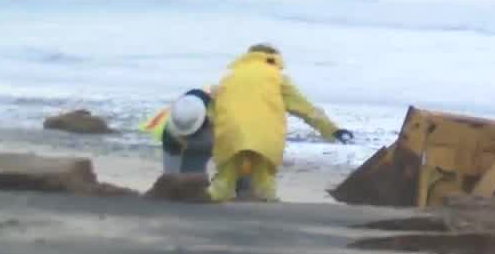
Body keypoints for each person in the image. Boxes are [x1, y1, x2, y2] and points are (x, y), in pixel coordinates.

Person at [208, 43, 354, 202]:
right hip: (264, 135)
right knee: (264, 186)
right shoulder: (277, 78)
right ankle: (267, 214)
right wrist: (333, 129)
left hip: (231, 132)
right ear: (274, 58)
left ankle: (201, 208)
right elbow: (305, 108)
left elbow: (213, 108)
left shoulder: (230, 77)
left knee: (222, 183)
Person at [140, 88, 216, 176]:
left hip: (201, 129)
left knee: (189, 176)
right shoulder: (176, 119)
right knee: (174, 177)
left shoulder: (210, 107)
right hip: (175, 136)